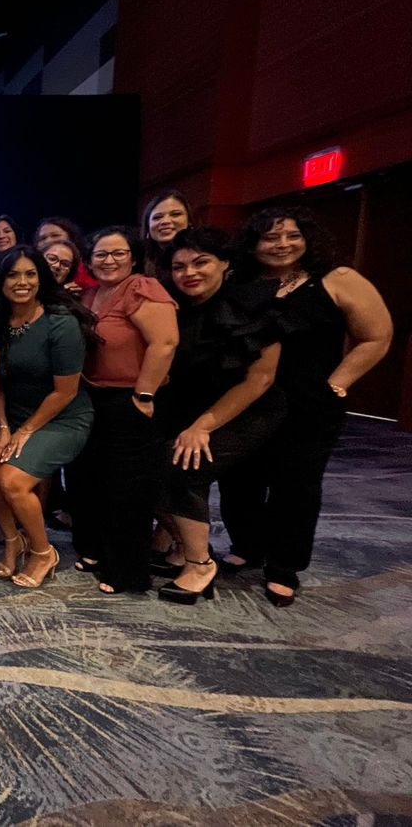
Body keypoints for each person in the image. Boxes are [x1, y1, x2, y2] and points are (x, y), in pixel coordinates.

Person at [218, 208, 392, 606]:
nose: (281, 245)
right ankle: (248, 545)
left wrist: (339, 383)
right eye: (270, 238)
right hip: (246, 399)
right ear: (253, 244)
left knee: (294, 484)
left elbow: (376, 337)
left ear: (308, 239)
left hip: (309, 403)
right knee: (239, 479)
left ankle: (284, 566)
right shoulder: (241, 281)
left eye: (291, 236)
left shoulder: (337, 279)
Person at [154, 228, 287, 605]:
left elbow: (261, 379)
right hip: (188, 406)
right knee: (140, 463)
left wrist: (203, 426)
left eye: (201, 262)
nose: (189, 272)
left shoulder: (254, 304)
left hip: (251, 407)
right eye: (179, 266)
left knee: (184, 468)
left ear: (224, 263)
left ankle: (200, 564)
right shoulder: (174, 309)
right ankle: (181, 545)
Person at [66, 227, 177, 594]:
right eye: (100, 254)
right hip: (90, 397)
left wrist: (143, 395)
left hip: (130, 399)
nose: (109, 260)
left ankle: (127, 571)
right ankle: (96, 551)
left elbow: (164, 342)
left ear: (133, 256)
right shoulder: (92, 293)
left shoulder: (141, 288)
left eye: (117, 253)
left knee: (126, 488)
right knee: (90, 479)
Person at [0, 246, 96, 587]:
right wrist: (3, 428)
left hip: (61, 418)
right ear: (1, 281)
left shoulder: (60, 322)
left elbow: (65, 392)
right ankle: (12, 540)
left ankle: (43, 551)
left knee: (13, 482)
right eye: (13, 274)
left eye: (30, 274)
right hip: (15, 417)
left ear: (41, 278)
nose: (22, 282)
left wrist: (26, 431)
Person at [34, 216, 98, 290]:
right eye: (42, 238)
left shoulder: (86, 268)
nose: (48, 241)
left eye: (55, 235)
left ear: (71, 238)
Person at [141, 190, 192, 279]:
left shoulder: (206, 255)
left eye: (175, 214)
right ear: (147, 226)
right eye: (157, 217)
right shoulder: (136, 264)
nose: (165, 221)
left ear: (189, 222)